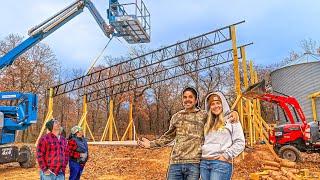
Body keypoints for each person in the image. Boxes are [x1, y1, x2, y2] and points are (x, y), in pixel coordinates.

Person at [138, 87, 239, 180]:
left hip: (194, 164)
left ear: (196, 100)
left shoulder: (204, 115)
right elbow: (168, 137)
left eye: (191, 97)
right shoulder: (176, 117)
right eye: (185, 97)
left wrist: (233, 113)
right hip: (176, 163)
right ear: (182, 100)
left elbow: (217, 113)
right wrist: (151, 144)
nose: (187, 99)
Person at [200, 92, 245, 180]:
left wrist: (226, 155)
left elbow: (240, 142)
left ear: (222, 104)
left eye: (218, 103)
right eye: (212, 104)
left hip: (220, 163)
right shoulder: (207, 123)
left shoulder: (231, 119)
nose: (216, 106)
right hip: (204, 163)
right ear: (209, 107)